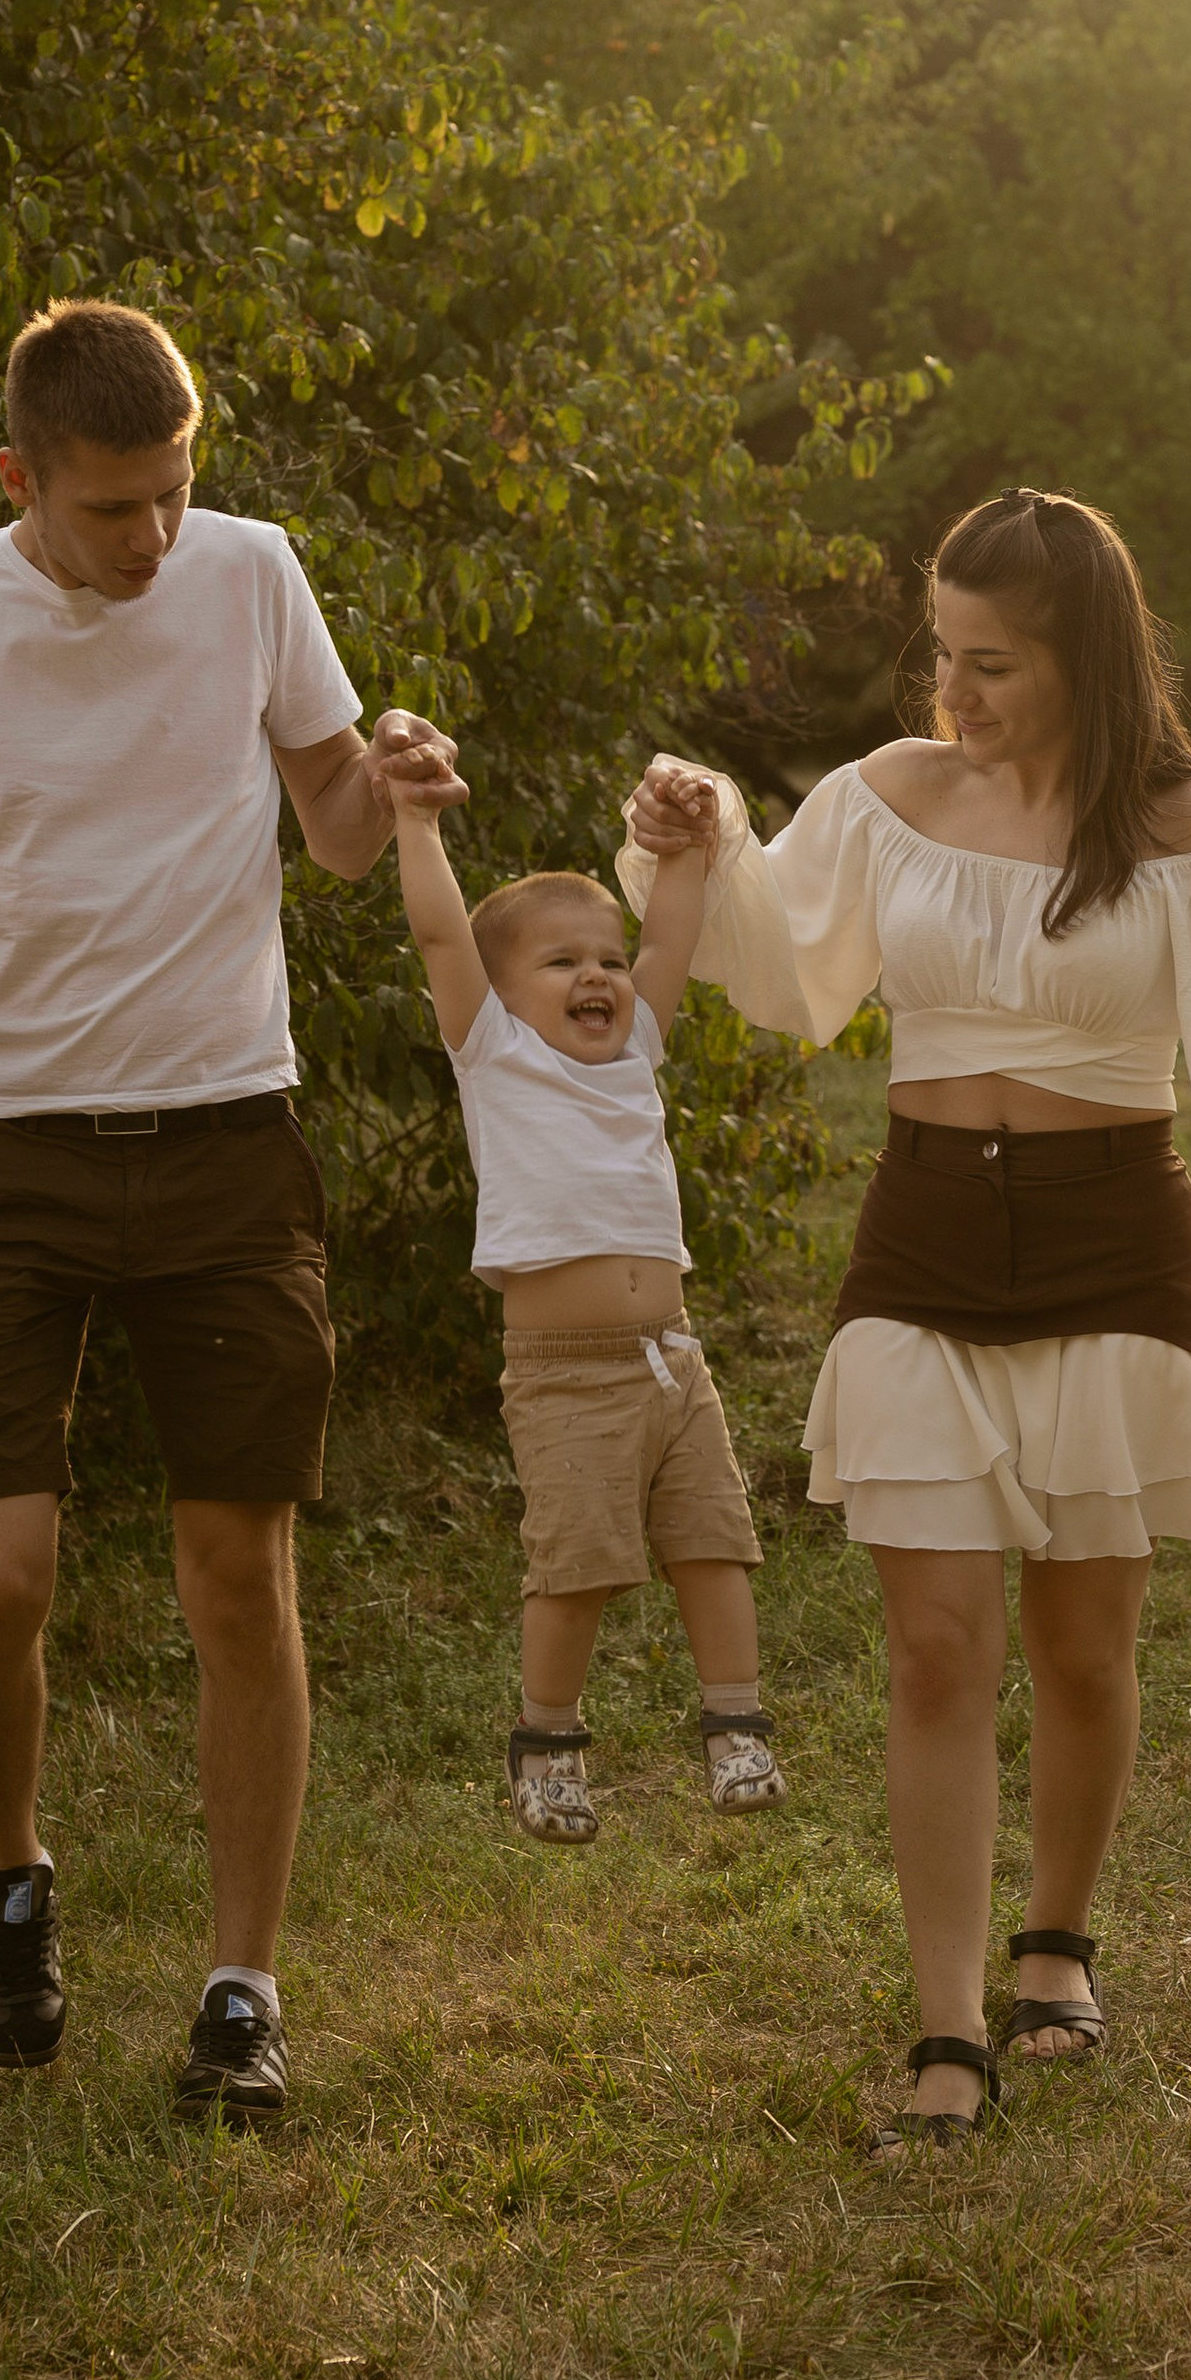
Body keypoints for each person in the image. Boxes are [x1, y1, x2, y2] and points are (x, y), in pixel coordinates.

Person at [0, 297, 461, 2125]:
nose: (156, 540)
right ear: (22, 476)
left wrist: (394, 777)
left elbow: (336, 833)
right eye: (115, 508)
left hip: (225, 1138)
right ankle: (10, 1880)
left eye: (177, 494)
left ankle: (241, 1987)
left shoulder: (252, 571)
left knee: (234, 1569)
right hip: (11, 1148)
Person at [621, 490, 1191, 2154]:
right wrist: (696, 835)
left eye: (994, 666)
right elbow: (781, 970)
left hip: (1117, 1240)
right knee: (933, 1645)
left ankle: (1059, 1939)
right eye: (945, 654)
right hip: (921, 1241)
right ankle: (950, 2016)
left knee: (1083, 1641)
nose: (955, 694)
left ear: (1089, 660)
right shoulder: (891, 797)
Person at [389, 769, 779, 1844]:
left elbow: (675, 931)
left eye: (606, 958)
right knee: (578, 1560)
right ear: (502, 991)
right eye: (561, 961)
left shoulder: (638, 1044)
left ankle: (736, 1722)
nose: (598, 976)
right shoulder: (494, 1052)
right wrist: (415, 819)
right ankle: (548, 1741)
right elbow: (436, 936)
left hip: (672, 1356)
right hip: (565, 1369)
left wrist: (691, 847)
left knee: (714, 1539)